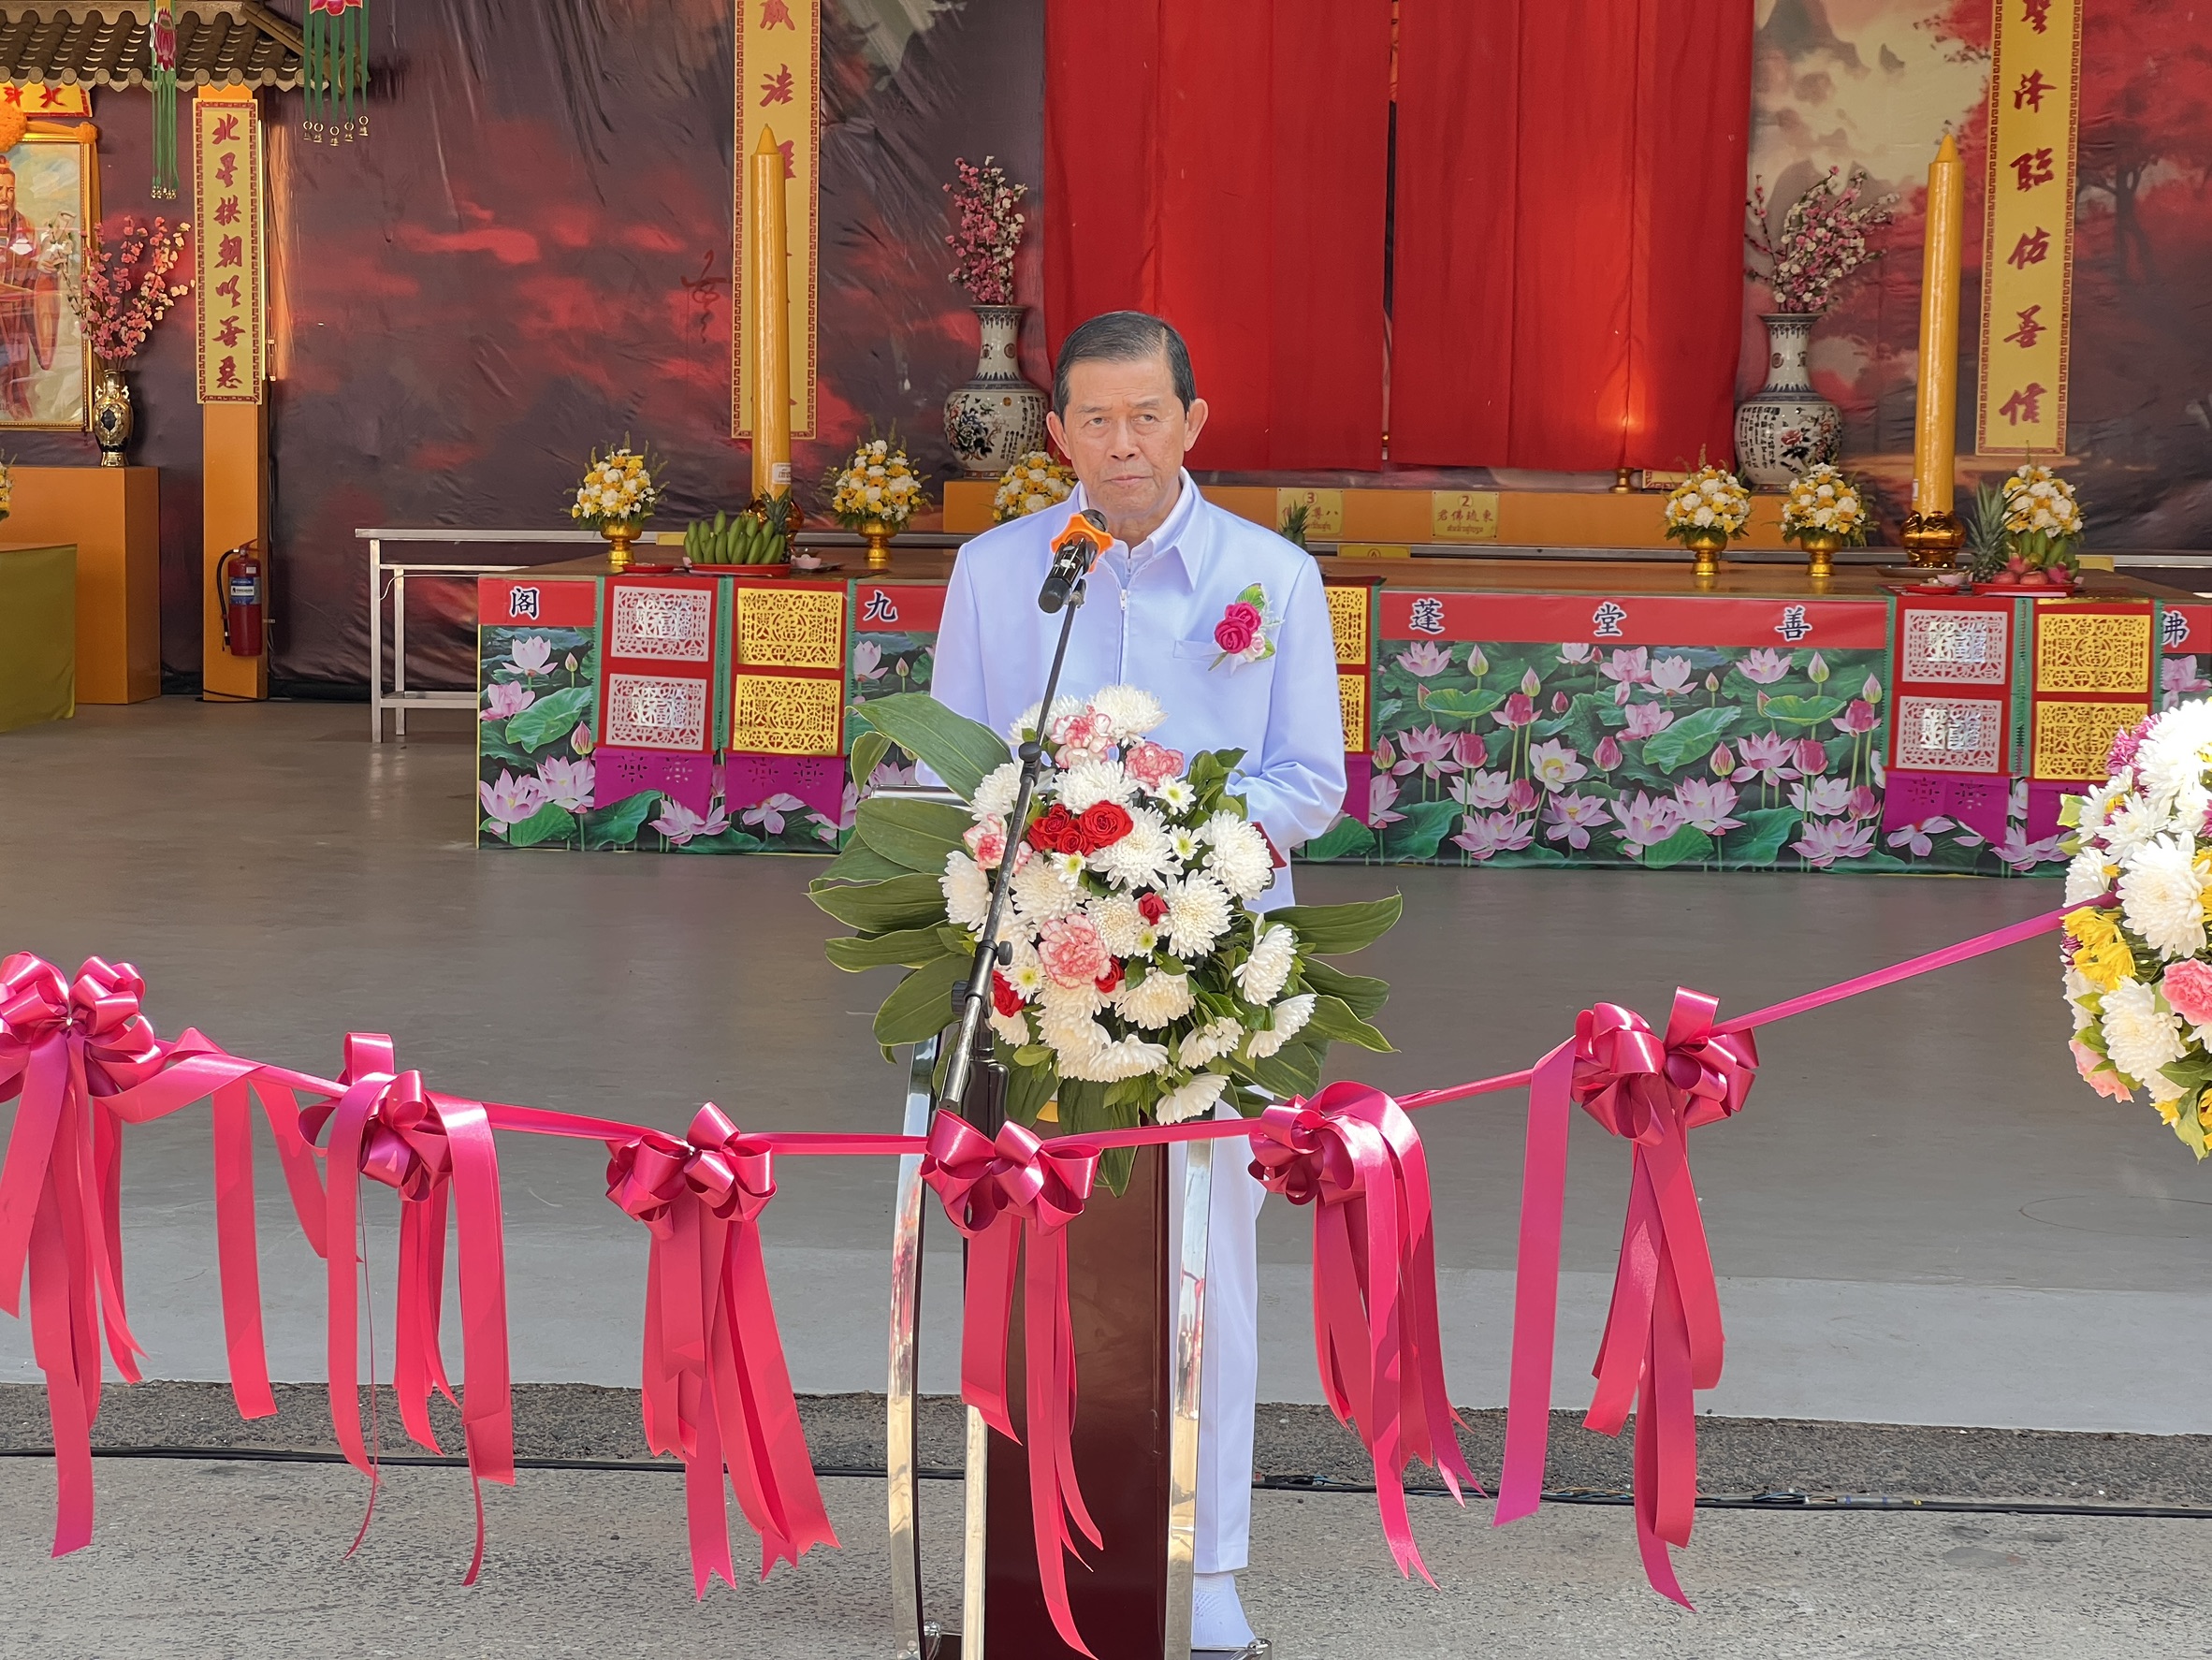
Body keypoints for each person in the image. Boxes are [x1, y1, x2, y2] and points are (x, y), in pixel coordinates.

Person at [931, 310, 1346, 1656]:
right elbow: (949, 765)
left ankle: (1204, 1559)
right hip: (1033, 972)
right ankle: (1025, 1545)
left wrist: (1171, 856)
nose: (1123, 444)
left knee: (1205, 1269)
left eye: (1148, 416)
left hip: (1209, 978)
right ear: (1057, 432)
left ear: (1193, 422)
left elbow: (1310, 780)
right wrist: (1045, 857)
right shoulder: (999, 572)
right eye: (1097, 420)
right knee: (1030, 1258)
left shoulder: (1271, 577)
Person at [0, 154, 57, 422]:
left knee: (13, 367)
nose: (5, 196)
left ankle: (12, 405)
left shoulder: (24, 226)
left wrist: (42, 266)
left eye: (10, 189)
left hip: (14, 314)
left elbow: (29, 270)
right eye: (0, 188)